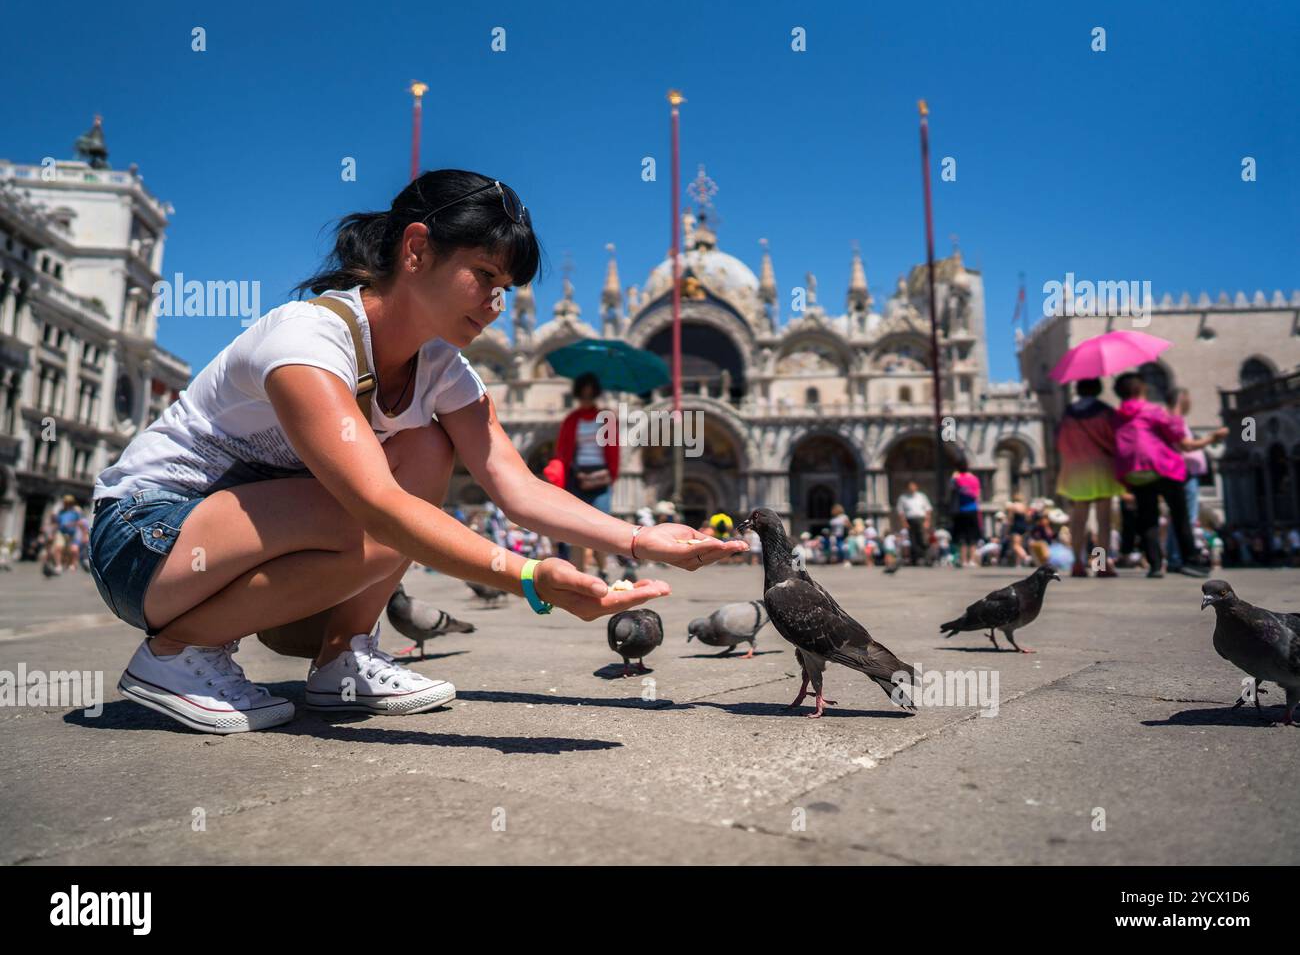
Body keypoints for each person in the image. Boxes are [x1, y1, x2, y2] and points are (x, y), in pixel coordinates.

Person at [88, 169, 746, 735]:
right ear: (416, 249)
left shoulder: (441, 370)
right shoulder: (309, 338)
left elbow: (515, 486)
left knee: (428, 445)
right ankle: (174, 654)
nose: (494, 304)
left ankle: (343, 657)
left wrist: (640, 540)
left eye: (506, 289)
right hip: (144, 540)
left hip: (241, 548)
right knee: (376, 509)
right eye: (483, 275)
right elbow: (377, 505)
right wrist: (525, 577)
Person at [1112, 372, 1224, 578]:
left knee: (1148, 519)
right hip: (1163, 468)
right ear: (1141, 390)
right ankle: (1190, 560)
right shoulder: (1153, 411)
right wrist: (1213, 437)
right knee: (1180, 515)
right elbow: (1182, 441)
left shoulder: (1116, 417)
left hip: (1135, 472)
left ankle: (1155, 566)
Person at [544, 372, 619, 581]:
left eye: (590, 395)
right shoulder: (571, 420)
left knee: (601, 527)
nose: (586, 399)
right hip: (576, 476)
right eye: (583, 395)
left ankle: (603, 568)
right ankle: (580, 576)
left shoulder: (607, 418)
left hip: (601, 477)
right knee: (577, 528)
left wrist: (611, 475)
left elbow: (614, 449)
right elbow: (562, 451)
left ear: (595, 395)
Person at [1055, 378, 1123, 577]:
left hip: (1077, 469)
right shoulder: (1105, 411)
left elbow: (1061, 442)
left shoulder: (1069, 413)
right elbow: (1114, 439)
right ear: (1099, 389)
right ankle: (1101, 565)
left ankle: (1077, 563)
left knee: (1078, 520)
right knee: (1103, 521)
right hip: (1102, 467)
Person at [1163, 388, 1219, 568]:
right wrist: (1212, 438)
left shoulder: (1171, 419)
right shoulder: (1174, 419)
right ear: (1181, 399)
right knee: (1186, 517)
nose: (1190, 403)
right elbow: (1186, 446)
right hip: (1184, 473)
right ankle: (1179, 557)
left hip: (1181, 473)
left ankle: (1174, 557)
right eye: (1188, 399)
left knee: (1179, 517)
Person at [949, 456, 982, 568]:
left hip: (960, 510)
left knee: (961, 537)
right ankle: (972, 560)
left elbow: (951, 489)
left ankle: (963, 561)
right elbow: (977, 495)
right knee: (972, 537)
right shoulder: (974, 478)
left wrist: (954, 478)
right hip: (972, 509)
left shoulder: (956, 478)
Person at [895, 481, 932, 567]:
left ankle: (927, 559)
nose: (911, 488)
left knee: (923, 540)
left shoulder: (921, 496)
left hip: (920, 519)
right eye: (910, 487)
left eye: (913, 486)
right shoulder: (903, 498)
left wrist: (927, 521)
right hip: (910, 520)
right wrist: (904, 522)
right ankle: (915, 559)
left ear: (916, 487)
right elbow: (900, 511)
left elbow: (928, 509)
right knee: (913, 540)